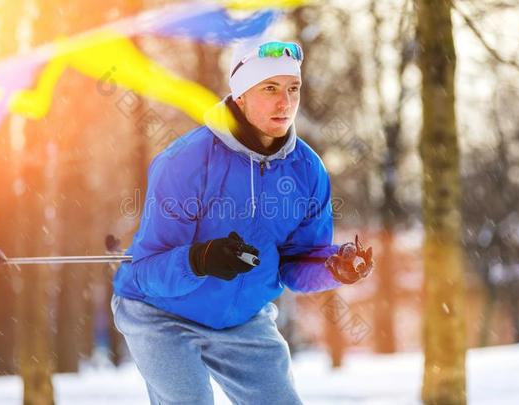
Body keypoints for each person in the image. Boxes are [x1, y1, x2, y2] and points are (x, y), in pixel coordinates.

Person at [111, 36, 374, 405]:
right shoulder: (186, 161)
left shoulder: (307, 170)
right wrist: (199, 259)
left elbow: (295, 263)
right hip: (162, 314)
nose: (286, 102)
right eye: (270, 88)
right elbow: (144, 272)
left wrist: (334, 265)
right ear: (240, 95)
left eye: (292, 88)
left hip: (242, 320)